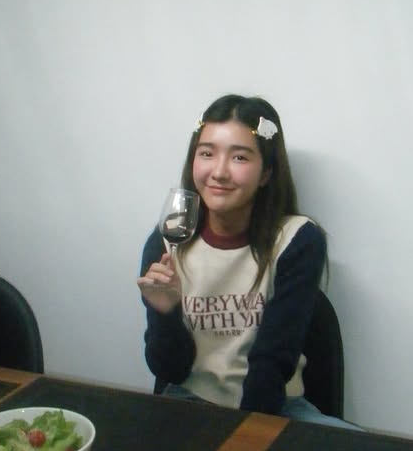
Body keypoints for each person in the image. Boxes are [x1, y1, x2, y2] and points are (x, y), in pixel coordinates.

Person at [137, 93, 360, 429]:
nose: (219, 172)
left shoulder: (296, 241)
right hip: (189, 403)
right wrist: (165, 312)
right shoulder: (168, 241)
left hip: (273, 408)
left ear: (266, 172)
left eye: (239, 157)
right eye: (207, 153)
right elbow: (169, 370)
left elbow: (272, 363)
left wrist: (242, 439)